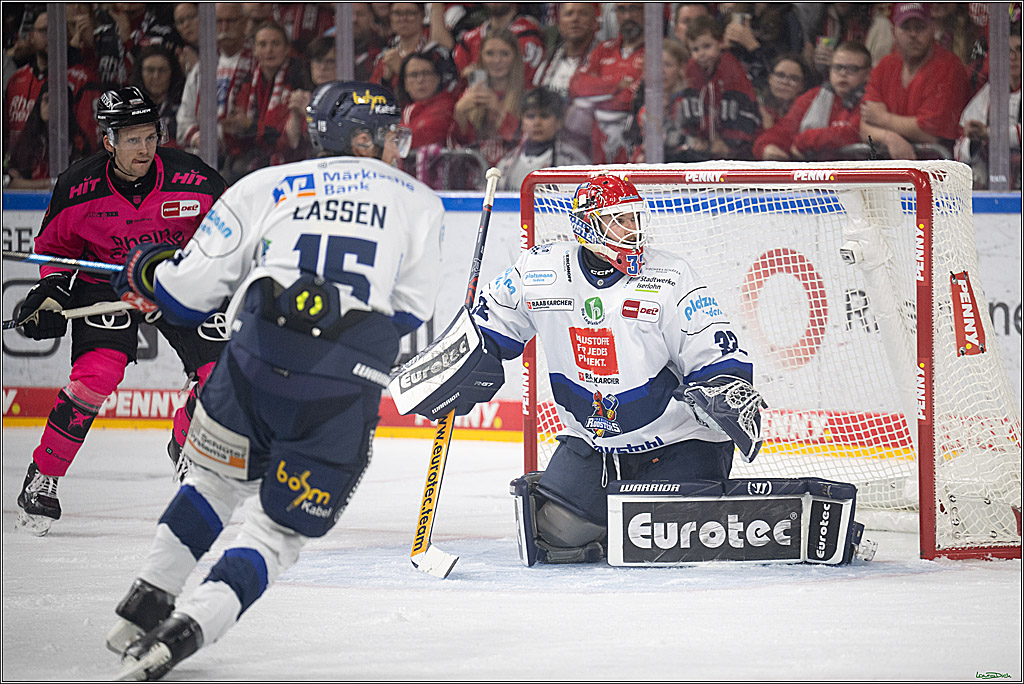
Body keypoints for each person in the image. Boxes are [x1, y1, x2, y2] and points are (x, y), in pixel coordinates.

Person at [105, 80, 442, 681]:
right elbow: (410, 313)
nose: (398, 144)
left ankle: (145, 601)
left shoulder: (263, 186)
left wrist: (146, 268)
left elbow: (182, 299)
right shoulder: (419, 201)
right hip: (338, 390)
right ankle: (186, 632)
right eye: (390, 134)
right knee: (275, 532)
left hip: (251, 367)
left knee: (210, 485)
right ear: (362, 138)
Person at [392, 174, 763, 565]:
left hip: (679, 442)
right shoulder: (541, 269)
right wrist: (459, 363)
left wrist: (725, 387)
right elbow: (491, 326)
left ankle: (622, 506)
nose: (632, 230)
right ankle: (593, 502)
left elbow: (712, 346)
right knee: (558, 537)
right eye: (618, 220)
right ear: (587, 225)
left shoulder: (670, 276)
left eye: (635, 219)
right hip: (597, 445)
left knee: (666, 540)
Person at [13, 87, 228, 537]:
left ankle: (187, 445)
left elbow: (232, 234)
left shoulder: (194, 179)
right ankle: (43, 475)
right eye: (132, 139)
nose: (145, 149)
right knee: (97, 375)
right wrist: (50, 294)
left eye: (150, 137)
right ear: (109, 141)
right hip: (105, 284)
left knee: (224, 372)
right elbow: (54, 251)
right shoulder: (79, 185)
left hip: (178, 280)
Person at [859, 2, 969, 160]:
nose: (913, 34)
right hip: (892, 169)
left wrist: (883, 119)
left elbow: (930, 133)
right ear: (894, 32)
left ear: (932, 29)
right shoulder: (885, 65)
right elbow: (865, 126)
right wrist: (889, 138)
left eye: (920, 27)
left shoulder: (949, 66)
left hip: (936, 170)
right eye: (905, 27)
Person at [225, 20, 313, 181]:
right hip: (255, 159)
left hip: (292, 162)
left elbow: (283, 136)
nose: (269, 50)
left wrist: (250, 125)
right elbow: (236, 128)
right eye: (263, 44)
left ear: (287, 49)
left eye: (275, 44)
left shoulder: (299, 78)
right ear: (255, 50)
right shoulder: (247, 81)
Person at [754, 41, 870, 161]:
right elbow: (785, 130)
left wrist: (803, 140)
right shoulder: (813, 96)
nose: (843, 73)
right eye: (837, 67)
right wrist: (767, 147)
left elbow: (855, 133)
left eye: (852, 69)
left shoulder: (872, 98)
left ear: (867, 74)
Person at [176, 3, 253, 168]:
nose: (225, 27)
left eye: (231, 21)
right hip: (201, 157)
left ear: (245, 23)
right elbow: (184, 119)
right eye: (219, 21)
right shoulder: (203, 66)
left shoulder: (257, 62)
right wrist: (199, 139)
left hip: (243, 156)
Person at [568, 2, 646, 164]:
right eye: (621, 9)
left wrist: (598, 93)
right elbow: (577, 85)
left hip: (635, 142)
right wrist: (617, 85)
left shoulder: (657, 49)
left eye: (634, 8)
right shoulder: (604, 49)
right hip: (596, 146)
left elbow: (632, 99)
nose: (627, 16)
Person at [675, 14, 761, 161]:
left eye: (707, 46)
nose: (701, 54)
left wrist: (725, 141)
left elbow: (741, 104)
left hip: (738, 139)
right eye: (695, 49)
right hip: (709, 140)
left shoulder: (730, 66)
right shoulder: (692, 68)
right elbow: (693, 103)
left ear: (721, 43)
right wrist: (698, 136)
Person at [954, 27, 1023, 189]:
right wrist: (974, 140)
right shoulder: (989, 92)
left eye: (1019, 50)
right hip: (994, 185)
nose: (1013, 58)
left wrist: (987, 133)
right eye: (1007, 51)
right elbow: (959, 146)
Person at [450, 29, 526, 170]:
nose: (497, 60)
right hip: (475, 177)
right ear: (481, 57)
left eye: (504, 54)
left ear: (515, 57)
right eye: (490, 54)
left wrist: (498, 108)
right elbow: (461, 145)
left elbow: (523, 140)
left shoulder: (527, 96)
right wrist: (459, 112)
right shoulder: (469, 93)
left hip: (511, 175)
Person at [496, 86, 590, 191]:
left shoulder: (574, 163)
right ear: (522, 122)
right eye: (530, 116)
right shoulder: (505, 164)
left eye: (544, 116)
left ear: (559, 121)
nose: (537, 123)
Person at [4, 82, 89, 189]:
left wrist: (26, 184)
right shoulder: (26, 139)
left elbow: (78, 181)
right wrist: (47, 184)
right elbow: (10, 182)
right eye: (46, 100)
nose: (50, 106)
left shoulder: (77, 141)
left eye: (56, 101)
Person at [395, 46, 459, 187]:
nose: (420, 80)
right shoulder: (404, 112)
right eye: (413, 75)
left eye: (426, 73)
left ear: (437, 78)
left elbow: (419, 138)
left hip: (444, 187)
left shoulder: (447, 106)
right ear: (405, 84)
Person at [131, 45, 186, 148]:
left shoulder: (184, 108)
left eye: (162, 70)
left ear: (172, 73)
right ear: (141, 73)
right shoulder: (128, 111)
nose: (156, 76)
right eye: (150, 70)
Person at [758, 54, 809, 131]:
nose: (785, 82)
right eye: (780, 75)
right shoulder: (756, 106)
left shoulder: (807, 115)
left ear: (802, 86)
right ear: (770, 79)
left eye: (794, 78)